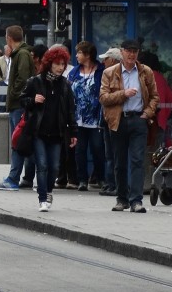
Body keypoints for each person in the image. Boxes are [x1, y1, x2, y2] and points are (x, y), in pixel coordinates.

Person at [99, 38, 159, 213]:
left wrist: (147, 113)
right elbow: (103, 98)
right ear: (122, 52)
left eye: (135, 51)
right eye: (128, 51)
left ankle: (136, 200)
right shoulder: (110, 72)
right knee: (119, 162)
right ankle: (122, 199)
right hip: (118, 120)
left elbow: (155, 96)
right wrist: (123, 94)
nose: (131, 54)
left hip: (138, 119)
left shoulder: (145, 71)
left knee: (137, 161)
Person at [21, 45, 77, 212]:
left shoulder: (65, 85)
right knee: (42, 165)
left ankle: (49, 191)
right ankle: (42, 198)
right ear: (49, 63)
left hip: (57, 133)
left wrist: (73, 132)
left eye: (63, 64)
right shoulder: (35, 81)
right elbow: (22, 100)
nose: (60, 67)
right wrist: (33, 100)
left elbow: (70, 110)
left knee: (54, 167)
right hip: (39, 131)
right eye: (57, 64)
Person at [0, 26, 35, 192]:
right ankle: (27, 177)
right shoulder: (22, 53)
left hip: (19, 105)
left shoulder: (21, 54)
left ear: (9, 38)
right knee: (23, 142)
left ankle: (13, 178)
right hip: (20, 104)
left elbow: (22, 79)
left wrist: (15, 95)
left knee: (17, 142)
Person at [67, 40, 105, 191]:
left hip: (95, 118)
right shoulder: (74, 72)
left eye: (79, 53)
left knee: (97, 148)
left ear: (88, 55)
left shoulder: (100, 71)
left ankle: (100, 178)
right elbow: (68, 92)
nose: (76, 55)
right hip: (78, 118)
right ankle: (82, 180)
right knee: (80, 150)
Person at [97, 47, 122, 196]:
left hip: (116, 119)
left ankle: (115, 184)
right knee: (109, 155)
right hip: (106, 119)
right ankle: (110, 183)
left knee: (115, 154)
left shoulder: (119, 76)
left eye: (106, 59)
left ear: (112, 60)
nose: (103, 62)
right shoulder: (106, 74)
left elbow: (106, 97)